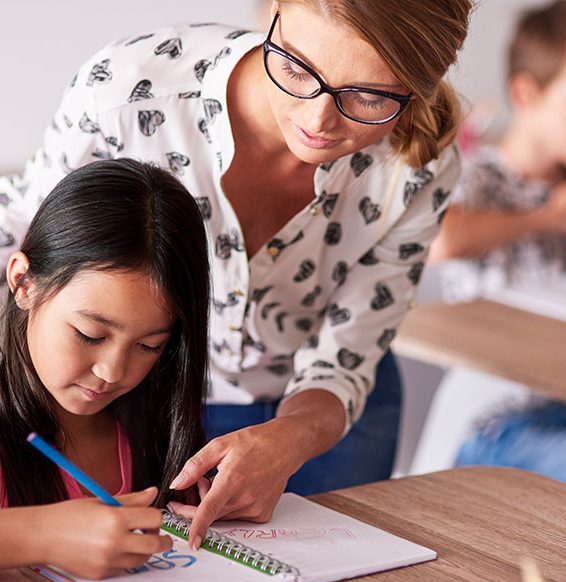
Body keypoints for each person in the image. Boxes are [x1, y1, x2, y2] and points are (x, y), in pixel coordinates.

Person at [0, 0, 472, 547]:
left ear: (419, 84)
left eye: (367, 96)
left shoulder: (418, 167)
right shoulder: (130, 90)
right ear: (271, 12)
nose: (317, 121)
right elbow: (31, 232)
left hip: (327, 412)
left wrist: (291, 438)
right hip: (161, 401)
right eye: (297, 69)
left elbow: (349, 353)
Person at [0, 158, 211, 577]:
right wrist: (40, 535)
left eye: (150, 346)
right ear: (24, 283)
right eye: (90, 334)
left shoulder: (152, 423)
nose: (114, 372)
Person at [429, 0, 566, 492]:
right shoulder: (479, 174)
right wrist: (547, 217)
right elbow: (441, 240)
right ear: (527, 93)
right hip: (495, 415)